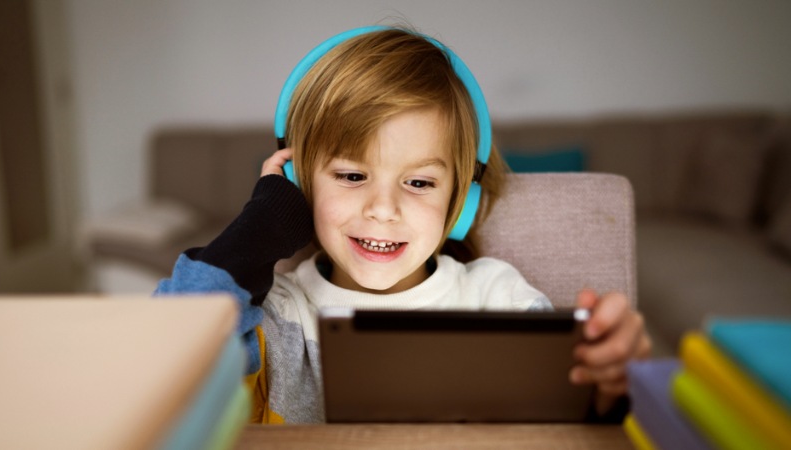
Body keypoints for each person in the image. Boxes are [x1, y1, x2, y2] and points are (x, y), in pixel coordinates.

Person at [155, 26, 651, 424]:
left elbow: (576, 412)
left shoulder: (498, 298)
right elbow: (170, 357)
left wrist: (609, 381)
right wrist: (259, 228)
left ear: (459, 203)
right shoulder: (281, 316)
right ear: (299, 188)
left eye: (418, 183)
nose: (384, 209)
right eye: (352, 175)